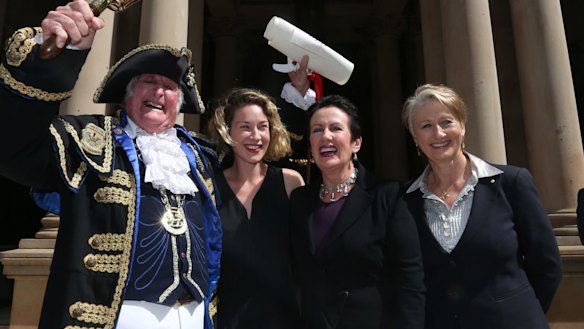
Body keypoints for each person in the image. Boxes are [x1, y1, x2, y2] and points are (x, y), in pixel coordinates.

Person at [0, 1, 221, 328]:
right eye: (148, 80)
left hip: (190, 316)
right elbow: (13, 150)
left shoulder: (201, 158)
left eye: (171, 87)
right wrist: (49, 60)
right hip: (117, 317)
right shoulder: (86, 140)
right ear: (127, 94)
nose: (160, 91)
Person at [401, 83, 563, 329]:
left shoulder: (512, 183)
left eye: (446, 122)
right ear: (415, 138)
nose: (438, 134)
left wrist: (522, 316)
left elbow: (547, 265)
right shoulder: (404, 200)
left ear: (463, 127)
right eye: (426, 126)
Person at [289, 95, 425, 329]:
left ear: (356, 143)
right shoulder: (300, 200)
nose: (326, 136)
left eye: (336, 128)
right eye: (317, 130)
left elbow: (410, 282)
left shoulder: (389, 196)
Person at [207, 87, 305, 328]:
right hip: (227, 319)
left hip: (285, 319)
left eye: (263, 126)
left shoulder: (291, 182)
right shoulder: (209, 187)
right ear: (227, 131)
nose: (256, 135)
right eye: (245, 127)